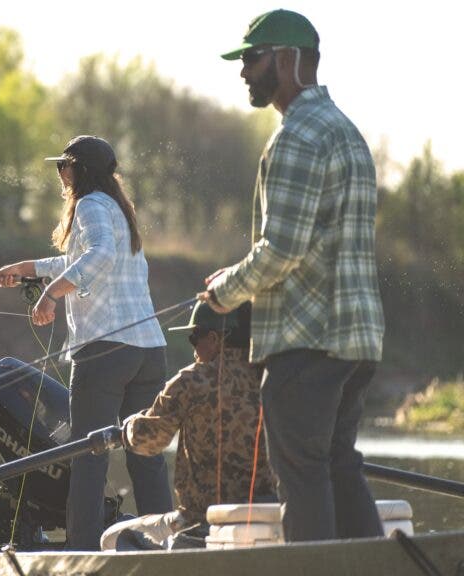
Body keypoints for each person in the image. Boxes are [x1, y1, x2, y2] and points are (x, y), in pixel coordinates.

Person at [199, 9, 386, 542]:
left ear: (288, 60)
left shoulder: (297, 137)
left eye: (252, 60)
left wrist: (225, 291)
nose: (244, 73)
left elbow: (282, 249)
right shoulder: (346, 132)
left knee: (303, 475)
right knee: (338, 467)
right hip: (356, 342)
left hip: (307, 344)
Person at [0, 135, 172, 550]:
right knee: (146, 455)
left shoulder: (89, 205)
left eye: (63, 166)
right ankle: (166, 549)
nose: (60, 174)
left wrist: (51, 294)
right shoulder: (119, 210)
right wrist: (27, 268)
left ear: (79, 170)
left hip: (105, 352)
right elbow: (84, 258)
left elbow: (99, 255)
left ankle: (84, 552)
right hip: (148, 350)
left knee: (87, 457)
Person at [104, 301, 275, 550]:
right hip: (267, 518)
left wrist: (129, 425)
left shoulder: (192, 380)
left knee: (110, 538)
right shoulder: (273, 380)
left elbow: (148, 442)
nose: (193, 347)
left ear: (215, 338)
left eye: (195, 337)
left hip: (199, 524)